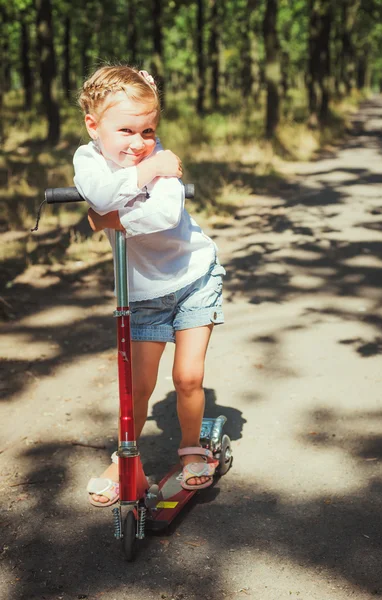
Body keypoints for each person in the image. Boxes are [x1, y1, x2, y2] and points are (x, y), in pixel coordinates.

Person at [73, 65, 225, 507]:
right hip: (141, 294)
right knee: (137, 386)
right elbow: (99, 193)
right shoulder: (89, 160)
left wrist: (109, 220)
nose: (139, 143)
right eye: (126, 130)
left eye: (148, 131)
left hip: (193, 277)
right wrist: (142, 176)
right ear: (93, 125)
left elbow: (162, 216)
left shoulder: (162, 158)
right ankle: (123, 460)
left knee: (188, 377)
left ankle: (193, 448)